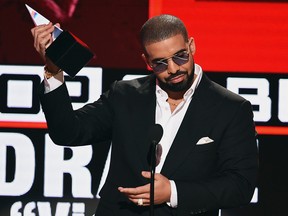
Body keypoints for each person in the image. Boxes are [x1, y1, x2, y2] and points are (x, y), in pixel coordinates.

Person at [31, 14, 258, 216]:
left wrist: (173, 192)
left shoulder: (230, 108)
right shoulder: (124, 95)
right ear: (146, 62)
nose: (173, 69)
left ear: (191, 45)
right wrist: (53, 71)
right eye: (160, 63)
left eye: (180, 56)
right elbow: (67, 133)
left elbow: (240, 186)